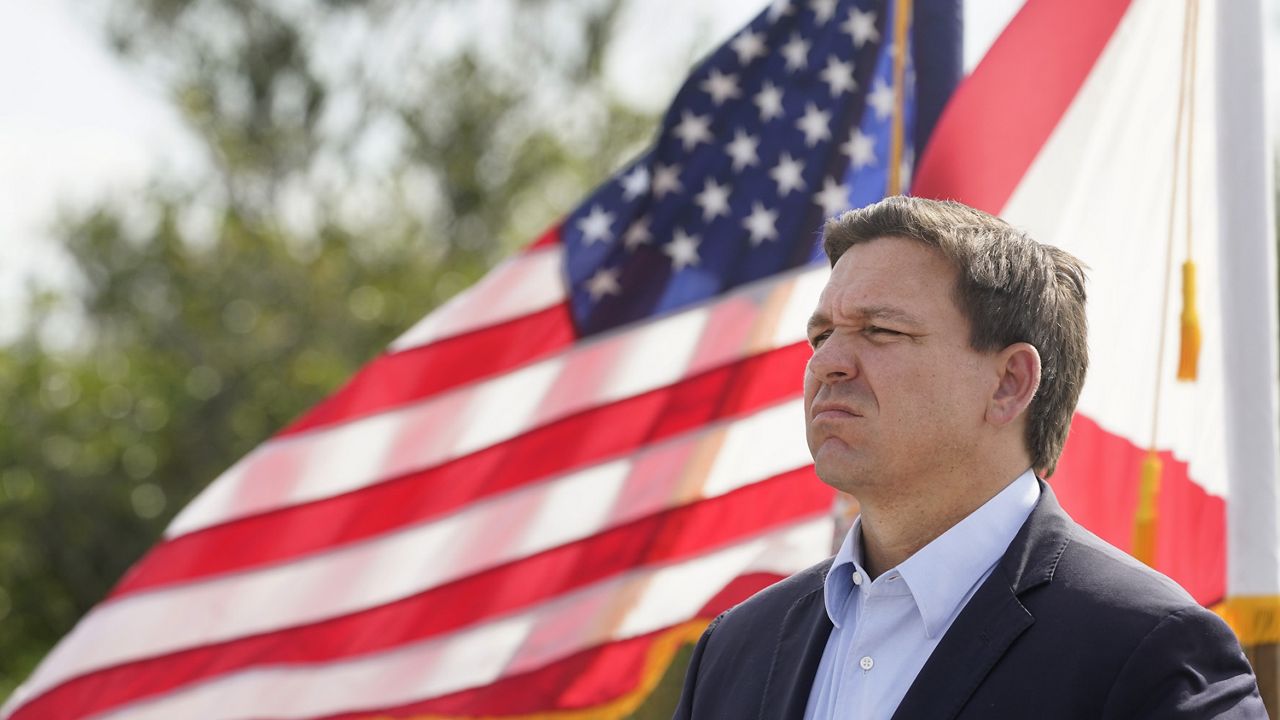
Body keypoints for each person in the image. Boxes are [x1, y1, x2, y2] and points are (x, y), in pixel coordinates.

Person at [672, 196, 1265, 719]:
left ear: (1009, 382)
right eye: (822, 334)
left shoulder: (1148, 648)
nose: (828, 363)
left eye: (880, 330)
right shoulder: (735, 649)